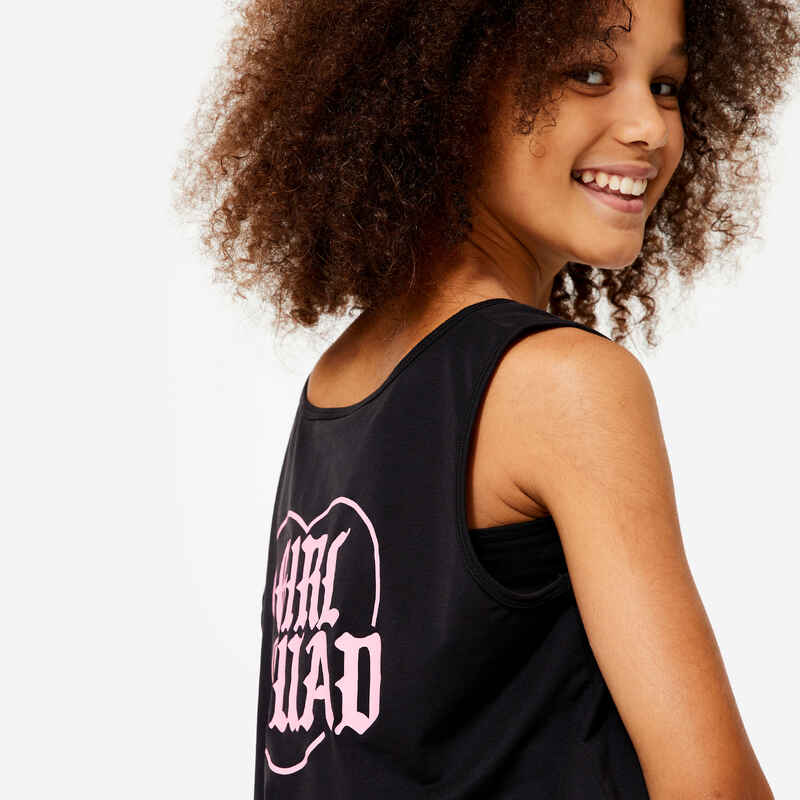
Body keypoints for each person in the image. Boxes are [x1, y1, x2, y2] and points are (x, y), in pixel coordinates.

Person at [172, 0, 800, 796]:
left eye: (667, 85)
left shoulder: (340, 381)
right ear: (453, 85)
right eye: (589, 73)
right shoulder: (562, 384)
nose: (648, 126)